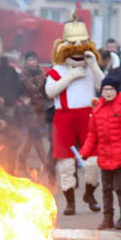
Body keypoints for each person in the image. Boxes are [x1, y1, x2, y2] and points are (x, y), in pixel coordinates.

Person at [45, 14, 103, 216]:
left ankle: (89, 193)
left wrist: (94, 65)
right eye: (72, 43)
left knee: (93, 161)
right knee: (66, 164)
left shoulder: (89, 67)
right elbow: (50, 92)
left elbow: (102, 86)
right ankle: (70, 202)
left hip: (88, 117)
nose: (78, 48)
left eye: (82, 43)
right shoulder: (57, 69)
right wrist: (70, 76)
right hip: (64, 118)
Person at [78, 76, 121, 230]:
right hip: (104, 157)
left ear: (116, 91)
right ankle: (107, 218)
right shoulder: (97, 109)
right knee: (106, 189)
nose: (108, 92)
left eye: (111, 89)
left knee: (119, 187)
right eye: (105, 89)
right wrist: (84, 152)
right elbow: (92, 135)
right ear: (101, 91)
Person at [17, 51, 50, 178]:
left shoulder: (43, 75)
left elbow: (48, 92)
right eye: (30, 60)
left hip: (41, 109)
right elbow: (18, 92)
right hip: (29, 111)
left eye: (34, 59)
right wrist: (23, 99)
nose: (32, 62)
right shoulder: (22, 76)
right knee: (35, 138)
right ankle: (46, 165)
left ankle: (20, 163)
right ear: (26, 62)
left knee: (32, 139)